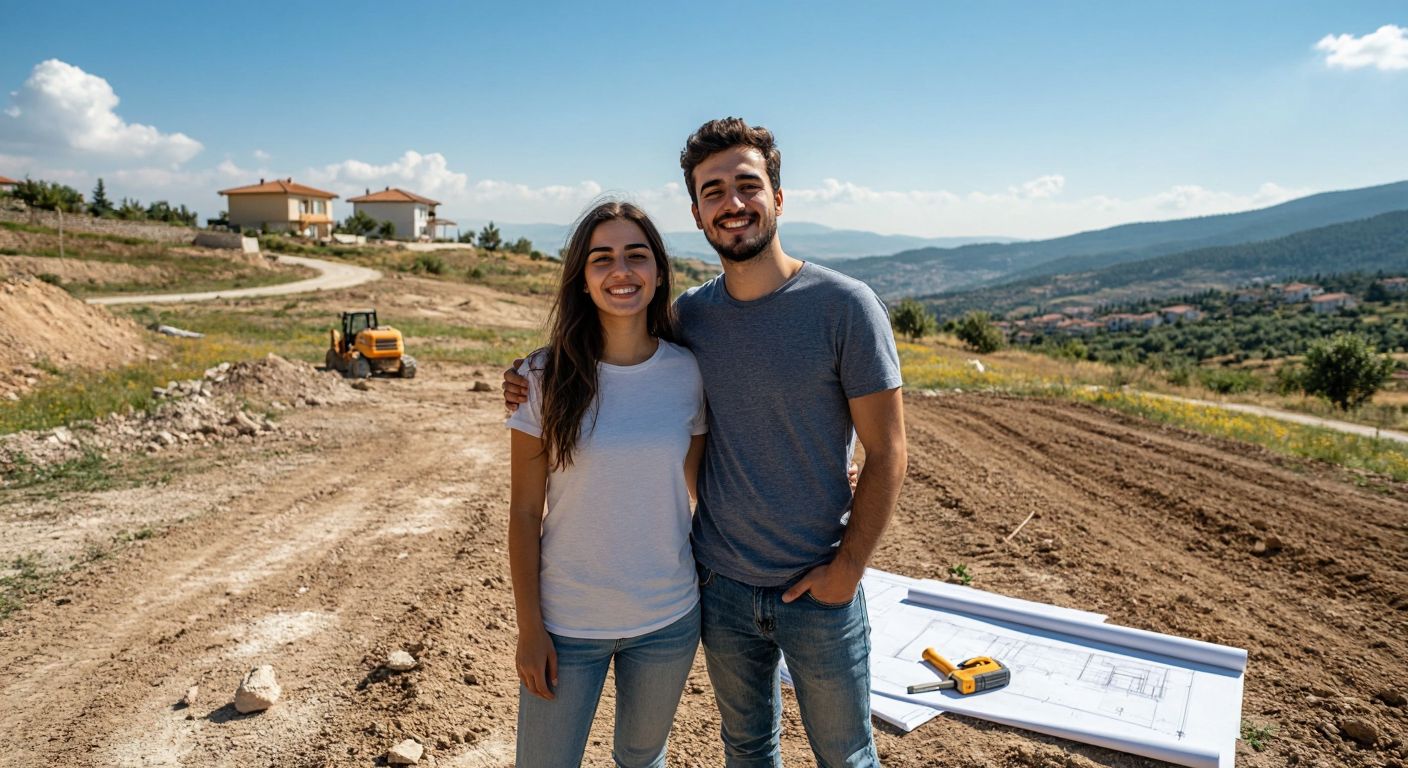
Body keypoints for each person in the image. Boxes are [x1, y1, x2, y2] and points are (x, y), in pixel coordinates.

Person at [507, 118, 908, 767]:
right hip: (719, 588)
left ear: (778, 197)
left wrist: (847, 572)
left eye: (747, 185)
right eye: (713, 191)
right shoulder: (693, 318)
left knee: (847, 756)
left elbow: (889, 453)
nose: (733, 203)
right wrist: (535, 370)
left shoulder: (846, 308)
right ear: (696, 212)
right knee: (747, 749)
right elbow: (615, 347)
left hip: (818, 589)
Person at [507, 200, 708, 768]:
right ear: (583, 279)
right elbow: (524, 514)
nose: (621, 270)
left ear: (659, 271)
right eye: (602, 259)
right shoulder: (541, 379)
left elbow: (701, 482)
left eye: (635, 255)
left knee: (643, 761)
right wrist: (530, 629)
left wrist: (829, 466)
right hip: (567, 625)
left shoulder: (687, 373)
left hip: (668, 620)